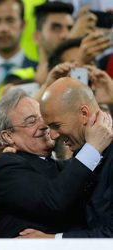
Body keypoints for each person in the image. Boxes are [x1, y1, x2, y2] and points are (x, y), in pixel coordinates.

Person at [0, 88, 112, 238]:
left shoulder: (62, 167)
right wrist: (93, 147)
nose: (43, 125)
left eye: (43, 117)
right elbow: (53, 201)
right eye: (31, 121)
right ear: (8, 136)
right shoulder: (5, 169)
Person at [20, 77, 113, 238]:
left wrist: (53, 240)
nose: (54, 136)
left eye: (56, 125)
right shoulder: (83, 152)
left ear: (84, 114)